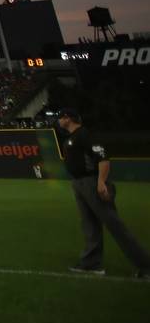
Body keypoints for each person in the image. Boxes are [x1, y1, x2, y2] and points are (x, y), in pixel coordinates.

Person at [58, 108, 149, 277]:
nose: (59, 121)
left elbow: (103, 158)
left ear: (67, 118)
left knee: (114, 225)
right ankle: (92, 264)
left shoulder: (84, 134)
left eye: (60, 118)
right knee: (89, 225)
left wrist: (101, 182)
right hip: (79, 183)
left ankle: (145, 266)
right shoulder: (72, 137)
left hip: (91, 182)